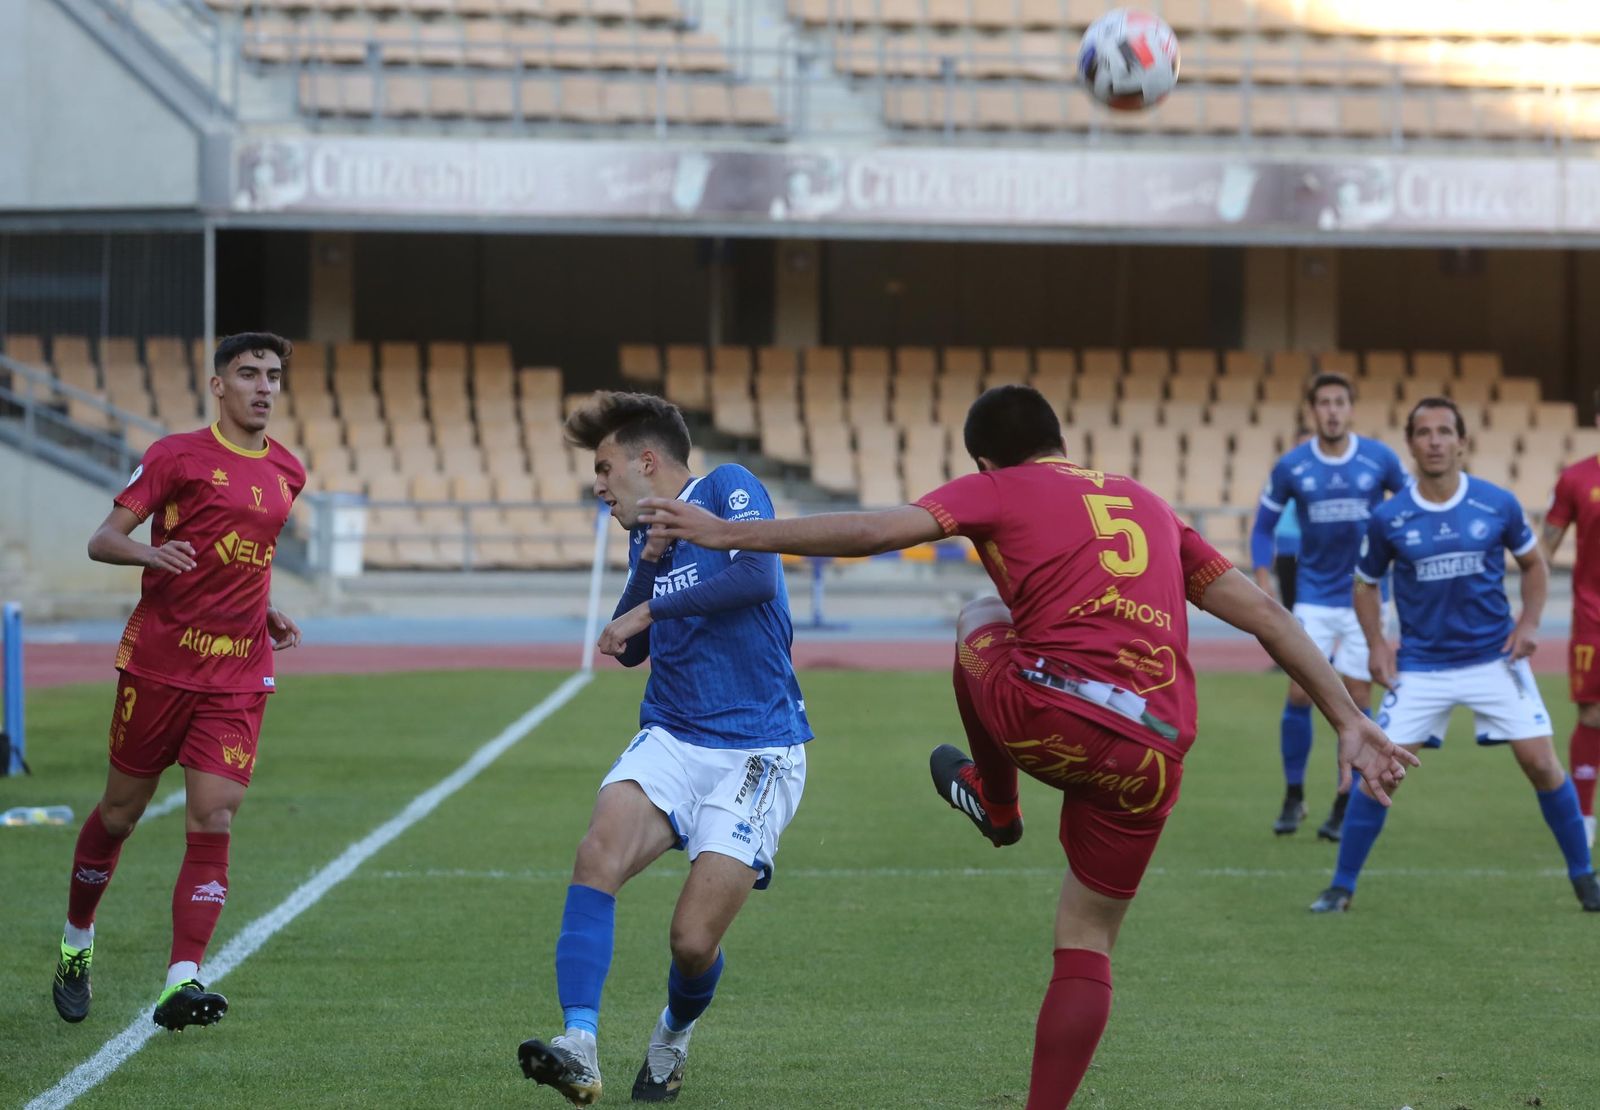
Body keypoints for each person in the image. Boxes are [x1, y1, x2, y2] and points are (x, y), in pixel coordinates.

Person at [639, 385, 1415, 1109]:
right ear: (1061, 440)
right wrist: (1348, 719)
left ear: (984, 461)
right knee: (1087, 940)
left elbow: (877, 531)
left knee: (977, 614)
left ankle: (998, 803)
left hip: (1052, 715)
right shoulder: (1149, 505)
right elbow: (1271, 619)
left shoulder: (997, 489)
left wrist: (727, 531)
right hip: (1157, 751)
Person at [518, 392, 811, 1106]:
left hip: (758, 752)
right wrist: (648, 567)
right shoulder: (643, 534)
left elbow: (755, 576)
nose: (597, 484)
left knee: (690, 942)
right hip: (674, 736)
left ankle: (672, 1036)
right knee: (597, 853)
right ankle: (578, 1045)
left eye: (605, 465)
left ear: (649, 462)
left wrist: (652, 602)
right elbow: (630, 644)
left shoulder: (726, 488)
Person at [51, 333, 306, 1030]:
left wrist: (267, 608)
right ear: (218, 384)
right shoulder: (175, 456)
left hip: (238, 671)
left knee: (213, 816)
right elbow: (104, 538)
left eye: (274, 376)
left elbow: (248, 556)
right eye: (249, 373)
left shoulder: (288, 471)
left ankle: (181, 981)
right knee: (119, 815)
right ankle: (77, 940)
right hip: (160, 666)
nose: (263, 386)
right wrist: (149, 551)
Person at [1310, 397, 1600, 914]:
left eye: (1445, 431)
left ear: (1462, 442)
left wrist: (1529, 624)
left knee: (1541, 763)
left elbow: (1534, 565)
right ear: (1412, 444)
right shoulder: (1389, 517)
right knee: (1379, 767)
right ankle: (1341, 886)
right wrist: (1377, 643)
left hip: (1495, 660)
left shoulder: (1497, 503)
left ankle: (1584, 879)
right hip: (1421, 667)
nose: (1435, 441)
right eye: (1424, 433)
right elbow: (1364, 583)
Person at [1250, 374, 1409, 841]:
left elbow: (1408, 511)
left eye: (1340, 402)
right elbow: (1263, 528)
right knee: (1300, 694)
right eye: (1324, 403)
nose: (1333, 410)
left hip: (1365, 596)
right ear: (1312, 411)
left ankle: (1343, 802)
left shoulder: (1379, 459)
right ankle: (1294, 795)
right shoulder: (1293, 466)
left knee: (1358, 700)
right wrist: (1263, 582)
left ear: (1351, 409)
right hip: (1314, 597)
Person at [1542, 393, 1600, 847]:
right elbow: (1545, 548)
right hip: (1592, 616)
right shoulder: (1576, 479)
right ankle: (1583, 815)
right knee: (1593, 712)